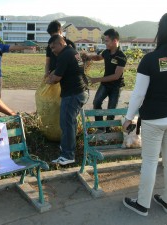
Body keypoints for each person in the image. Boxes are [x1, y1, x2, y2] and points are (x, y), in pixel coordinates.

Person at [122, 12, 167, 216]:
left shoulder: (151, 59)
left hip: (155, 119)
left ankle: (142, 204)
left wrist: (128, 117)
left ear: (162, 30)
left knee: (149, 161)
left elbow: (139, 94)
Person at [46, 35, 89, 165]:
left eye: (53, 47)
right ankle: (68, 147)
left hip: (72, 94)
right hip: (81, 92)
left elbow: (56, 77)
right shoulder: (74, 52)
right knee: (71, 123)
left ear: (60, 43)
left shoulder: (64, 55)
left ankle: (67, 155)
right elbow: (80, 68)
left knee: (66, 123)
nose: (52, 51)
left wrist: (49, 80)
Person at [83, 28, 127, 133]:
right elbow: (98, 57)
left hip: (116, 86)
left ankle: (107, 131)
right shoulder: (106, 52)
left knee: (110, 110)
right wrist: (88, 57)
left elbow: (116, 76)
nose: (105, 43)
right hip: (105, 84)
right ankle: (100, 128)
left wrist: (96, 79)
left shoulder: (121, 56)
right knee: (96, 102)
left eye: (107, 41)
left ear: (115, 41)